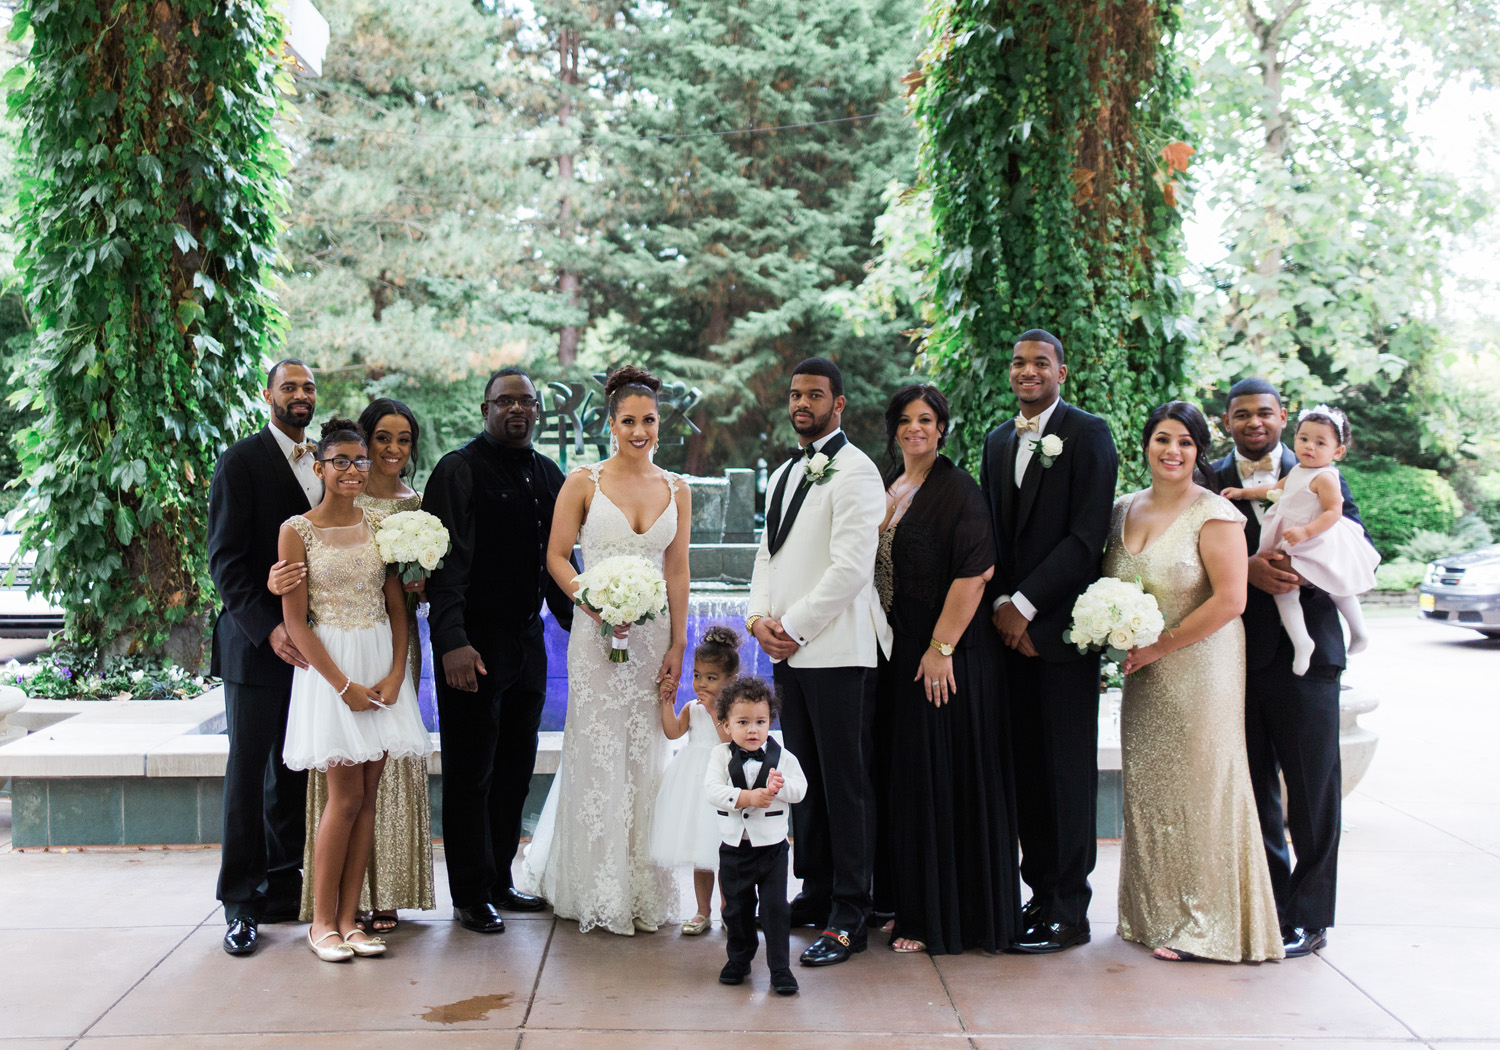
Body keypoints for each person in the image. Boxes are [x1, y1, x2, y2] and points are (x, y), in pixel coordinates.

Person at [1102, 402, 1283, 963]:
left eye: (1185, 441)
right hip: (1145, 673)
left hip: (1202, 666)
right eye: (1162, 438)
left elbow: (1232, 600)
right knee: (1153, 790)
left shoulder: (1216, 515)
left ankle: (1207, 923)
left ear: (1199, 450)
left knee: (1203, 788)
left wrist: (1160, 644)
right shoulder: (1120, 510)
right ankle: (1152, 914)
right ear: (1146, 445)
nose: (1172, 450)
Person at [520, 365, 690, 935]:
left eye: (648, 421)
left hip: (652, 639)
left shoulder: (677, 488)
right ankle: (593, 883)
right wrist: (589, 598)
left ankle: (642, 882)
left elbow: (677, 568)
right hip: (596, 636)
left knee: (645, 752)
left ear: (659, 423)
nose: (639, 431)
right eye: (628, 421)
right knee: (596, 746)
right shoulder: (583, 482)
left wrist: (679, 643)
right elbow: (556, 556)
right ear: (610, 424)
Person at [1214, 377, 1374, 958]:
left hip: (1310, 658)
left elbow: (1355, 538)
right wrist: (1247, 572)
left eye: (1265, 413)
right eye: (1241, 415)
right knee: (1255, 791)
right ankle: (1270, 907)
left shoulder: (1322, 466)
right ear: (1225, 421)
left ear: (1282, 418)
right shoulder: (1212, 478)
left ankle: (1311, 916)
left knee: (1313, 789)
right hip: (1237, 656)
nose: (1255, 423)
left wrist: (1309, 566)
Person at [267, 398, 436, 932]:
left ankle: (349, 920)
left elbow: (397, 608)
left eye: (358, 461)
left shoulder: (379, 529)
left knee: (366, 800)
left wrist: (393, 675)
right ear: (319, 466)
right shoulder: (297, 530)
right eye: (340, 461)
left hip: (382, 659)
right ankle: (322, 924)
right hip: (332, 670)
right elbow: (296, 624)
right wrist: (344, 687)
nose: (353, 470)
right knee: (342, 799)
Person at [746, 356, 890, 967]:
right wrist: (759, 621)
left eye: (815, 395)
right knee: (807, 782)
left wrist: (796, 628)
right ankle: (818, 889)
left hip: (839, 653)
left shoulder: (858, 472)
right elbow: (766, 556)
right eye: (795, 395)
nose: (802, 404)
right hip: (790, 654)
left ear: (840, 404)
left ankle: (852, 912)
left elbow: (852, 568)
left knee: (846, 785)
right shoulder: (783, 473)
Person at [977, 329, 1118, 954]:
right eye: (1018, 363)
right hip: (1007, 635)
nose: (1027, 372)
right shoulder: (997, 439)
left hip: (1059, 635)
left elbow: (1086, 539)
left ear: (1062, 370)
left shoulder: (1088, 435)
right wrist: (1004, 608)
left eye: (1040, 363)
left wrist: (1028, 609)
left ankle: (1070, 909)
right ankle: (1038, 895)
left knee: (1064, 772)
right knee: (1026, 771)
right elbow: (994, 539)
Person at [424, 368, 573, 934]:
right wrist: (453, 642)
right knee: (470, 771)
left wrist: (584, 624)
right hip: (474, 646)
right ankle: (469, 893)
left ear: (537, 411)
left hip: (526, 643)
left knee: (515, 767)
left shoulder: (546, 472)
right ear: (484, 408)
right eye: (506, 401)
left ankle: (500, 879)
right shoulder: (459, 470)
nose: (518, 410)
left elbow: (557, 561)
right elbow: (443, 566)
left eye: (527, 402)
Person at [874, 385, 1021, 956]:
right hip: (900, 652)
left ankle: (943, 918)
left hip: (948, 658)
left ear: (942, 428)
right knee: (910, 782)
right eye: (906, 420)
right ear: (895, 429)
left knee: (941, 782)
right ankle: (911, 902)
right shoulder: (890, 488)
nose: (916, 429)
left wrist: (940, 648)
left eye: (927, 420)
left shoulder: (957, 490)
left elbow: (974, 574)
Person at [207, 359, 321, 956]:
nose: (299, 395)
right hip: (257, 648)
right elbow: (224, 560)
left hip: (315, 651)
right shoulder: (241, 462)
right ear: (268, 395)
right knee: (249, 775)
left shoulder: (327, 462)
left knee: (295, 772)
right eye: (289, 387)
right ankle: (241, 904)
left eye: (307, 387)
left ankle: (284, 888)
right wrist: (269, 629)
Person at [1221, 405, 1378, 676]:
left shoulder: (1327, 476)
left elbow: (1333, 511)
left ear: (1337, 452)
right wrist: (1242, 493)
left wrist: (1306, 533)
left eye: (1320, 442)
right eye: (1304, 439)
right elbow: (1272, 490)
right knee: (1283, 590)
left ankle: (1359, 631)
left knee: (1337, 584)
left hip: (1317, 539)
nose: (1309, 447)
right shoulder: (1297, 472)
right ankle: (1302, 641)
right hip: (1290, 541)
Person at [705, 677, 808, 996]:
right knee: (735, 909)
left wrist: (781, 786)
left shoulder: (784, 758)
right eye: (743, 722)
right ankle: (739, 958)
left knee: (776, 909)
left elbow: (800, 791)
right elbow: (712, 790)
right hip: (734, 850)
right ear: (725, 725)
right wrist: (745, 798)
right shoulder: (720, 756)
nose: (753, 729)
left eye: (760, 722)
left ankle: (780, 968)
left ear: (770, 722)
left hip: (773, 850)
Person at [650, 626, 737, 935]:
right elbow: (673, 731)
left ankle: (730, 909)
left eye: (711, 678)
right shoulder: (691, 708)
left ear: (731, 681)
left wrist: (716, 710)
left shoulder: (730, 711)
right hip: (692, 784)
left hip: (720, 782)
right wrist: (666, 702)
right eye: (698, 675)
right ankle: (703, 911)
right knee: (702, 852)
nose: (701, 684)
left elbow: (730, 740)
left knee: (724, 852)